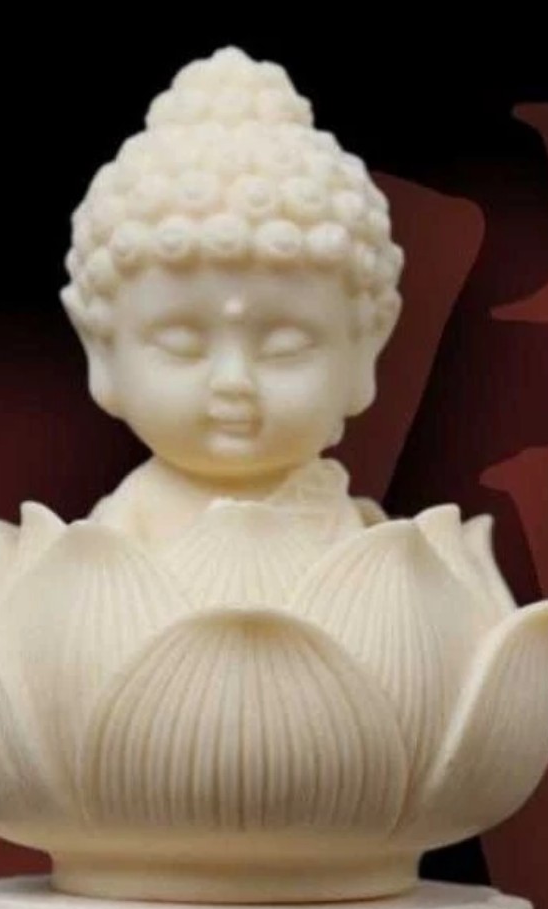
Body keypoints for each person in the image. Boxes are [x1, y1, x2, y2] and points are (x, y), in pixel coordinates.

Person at [60, 46, 402, 546]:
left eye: (285, 348)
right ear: (101, 348)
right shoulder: (110, 542)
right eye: (181, 345)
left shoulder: (368, 542)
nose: (233, 381)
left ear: (367, 345)